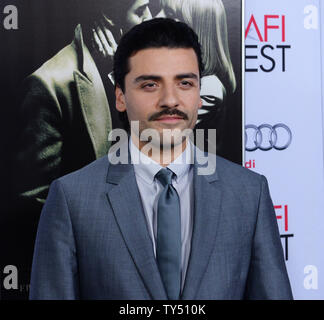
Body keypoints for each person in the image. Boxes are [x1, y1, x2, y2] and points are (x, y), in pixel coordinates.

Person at [29, 18, 293, 300]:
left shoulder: (249, 193)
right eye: (151, 85)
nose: (170, 100)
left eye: (185, 83)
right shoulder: (71, 199)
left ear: (199, 94)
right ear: (120, 97)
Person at [12, 0, 153, 211]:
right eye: (141, 10)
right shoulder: (49, 84)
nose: (150, 17)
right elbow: (35, 203)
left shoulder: (129, 71)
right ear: (110, 18)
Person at [157, 0, 238, 158]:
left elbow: (158, 135)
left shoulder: (209, 88)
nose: (158, 17)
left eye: (170, 14)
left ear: (194, 29)